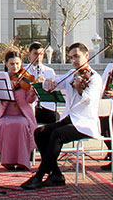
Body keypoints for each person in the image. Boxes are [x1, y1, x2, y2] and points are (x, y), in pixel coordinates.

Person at [21, 42, 105, 189]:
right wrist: (48, 82)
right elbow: (53, 86)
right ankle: (56, 174)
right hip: (69, 119)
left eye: (77, 57)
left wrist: (80, 90)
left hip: (84, 122)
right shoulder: (71, 74)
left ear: (87, 56)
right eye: (71, 58)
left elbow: (89, 99)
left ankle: (40, 175)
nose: (74, 61)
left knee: (57, 134)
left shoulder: (94, 78)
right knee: (40, 132)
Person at [0, 49, 37, 170]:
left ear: (21, 63)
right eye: (12, 64)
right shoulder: (1, 79)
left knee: (22, 124)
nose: (15, 66)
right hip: (5, 114)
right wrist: (7, 90)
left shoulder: (26, 79)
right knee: (4, 124)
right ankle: (8, 161)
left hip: (23, 114)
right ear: (6, 64)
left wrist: (32, 93)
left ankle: (23, 161)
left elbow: (29, 101)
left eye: (17, 63)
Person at [26, 42, 58, 124]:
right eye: (35, 54)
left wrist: (45, 83)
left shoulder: (49, 71)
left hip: (46, 107)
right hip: (30, 107)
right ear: (29, 54)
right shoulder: (24, 71)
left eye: (40, 54)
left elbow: (55, 91)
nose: (38, 57)